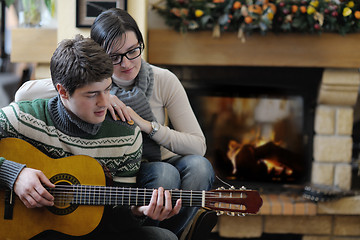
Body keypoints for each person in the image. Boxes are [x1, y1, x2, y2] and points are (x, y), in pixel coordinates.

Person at [15, 8, 216, 238]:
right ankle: (153, 231)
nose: (127, 63)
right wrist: (102, 90)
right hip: (121, 169)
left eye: (133, 51)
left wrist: (148, 126)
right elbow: (23, 95)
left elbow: (198, 146)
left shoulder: (163, 80)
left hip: (156, 159)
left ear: (141, 44)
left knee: (199, 167)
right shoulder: (94, 85)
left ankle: (176, 233)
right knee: (165, 174)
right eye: (114, 57)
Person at [0, 34, 180, 240]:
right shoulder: (21, 117)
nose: (105, 102)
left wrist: (136, 212)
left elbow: (114, 219)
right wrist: (14, 175)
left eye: (107, 89)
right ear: (63, 92)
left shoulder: (127, 136)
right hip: (28, 230)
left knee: (163, 237)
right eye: (92, 94)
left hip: (90, 231)